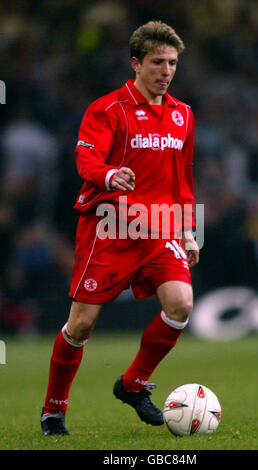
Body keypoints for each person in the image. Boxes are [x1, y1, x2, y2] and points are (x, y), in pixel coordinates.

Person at [41, 20, 199, 435]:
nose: (166, 71)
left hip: (160, 227)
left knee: (181, 303)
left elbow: (182, 178)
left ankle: (133, 384)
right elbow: (86, 160)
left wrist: (186, 228)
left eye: (172, 63)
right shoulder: (107, 109)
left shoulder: (183, 115)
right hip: (109, 228)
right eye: (157, 62)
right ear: (136, 63)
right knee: (81, 325)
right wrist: (110, 176)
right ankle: (53, 410)